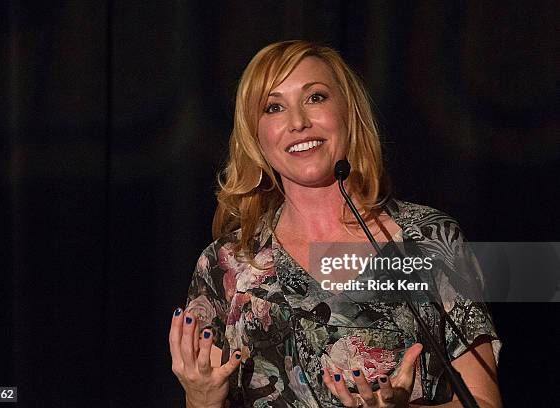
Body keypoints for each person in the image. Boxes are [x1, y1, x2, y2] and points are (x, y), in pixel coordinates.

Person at [169, 40, 502, 407]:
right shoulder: (227, 265)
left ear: (348, 111)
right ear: (256, 136)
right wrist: (201, 398)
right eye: (274, 107)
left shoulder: (428, 239)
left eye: (315, 98)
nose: (298, 122)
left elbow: (484, 402)